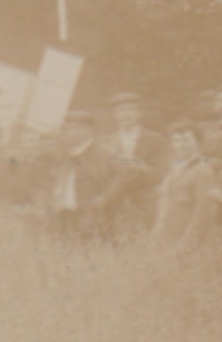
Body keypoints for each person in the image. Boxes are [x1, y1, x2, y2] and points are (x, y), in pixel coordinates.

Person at [103, 91, 170, 236]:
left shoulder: (155, 139)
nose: (126, 114)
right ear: (114, 114)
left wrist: (143, 168)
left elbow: (164, 174)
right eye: (121, 110)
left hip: (145, 203)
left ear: (139, 113)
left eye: (131, 109)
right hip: (116, 205)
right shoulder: (106, 141)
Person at [152, 121, 221, 252]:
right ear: (171, 144)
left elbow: (204, 212)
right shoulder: (173, 171)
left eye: (186, 140)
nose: (181, 145)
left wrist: (187, 244)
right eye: (177, 141)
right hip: (169, 241)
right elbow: (164, 204)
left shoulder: (203, 170)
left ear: (198, 143)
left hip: (190, 246)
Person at [50, 111, 117, 241]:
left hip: (90, 215)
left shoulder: (105, 153)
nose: (71, 133)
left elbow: (118, 182)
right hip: (64, 211)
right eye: (68, 128)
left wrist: (102, 201)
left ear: (89, 130)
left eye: (76, 128)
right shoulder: (67, 152)